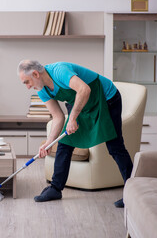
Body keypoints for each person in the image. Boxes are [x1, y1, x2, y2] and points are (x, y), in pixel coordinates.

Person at [17, 60, 133, 208]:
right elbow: (58, 117)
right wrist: (49, 142)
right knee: (65, 143)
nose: (28, 87)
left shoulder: (60, 71)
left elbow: (84, 89)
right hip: (82, 104)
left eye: (27, 82)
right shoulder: (42, 90)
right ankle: (55, 188)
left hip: (106, 98)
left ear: (35, 74)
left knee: (115, 147)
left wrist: (72, 118)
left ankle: (133, 193)